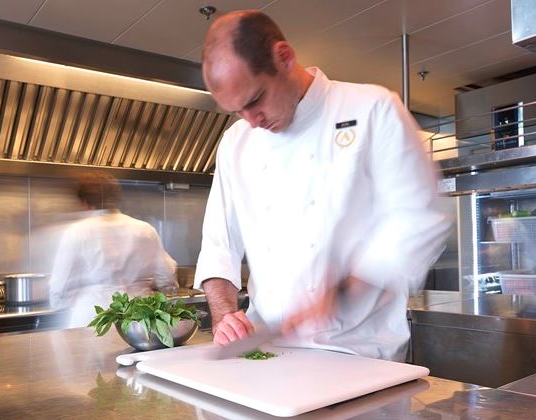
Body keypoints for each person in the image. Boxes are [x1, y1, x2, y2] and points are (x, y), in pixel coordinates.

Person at [193, 10, 451, 361]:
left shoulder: (373, 109)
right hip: (268, 353)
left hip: (360, 354)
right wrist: (226, 318)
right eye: (237, 111)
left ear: (284, 58)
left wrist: (348, 289)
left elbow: (420, 217)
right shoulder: (236, 142)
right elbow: (218, 245)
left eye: (255, 100)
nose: (251, 121)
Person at [49, 172, 178, 328]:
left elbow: (59, 288)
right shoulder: (145, 229)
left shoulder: (77, 232)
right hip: (139, 318)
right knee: (136, 345)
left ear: (85, 202)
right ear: (116, 198)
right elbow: (167, 277)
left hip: (93, 318)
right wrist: (151, 288)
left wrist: (63, 305)